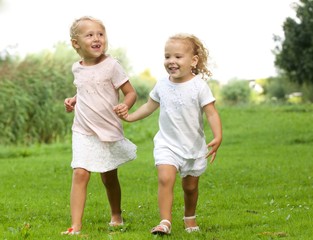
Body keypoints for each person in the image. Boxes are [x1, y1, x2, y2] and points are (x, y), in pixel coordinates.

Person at [118, 33, 222, 235]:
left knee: (190, 187)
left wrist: (218, 136)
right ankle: (165, 221)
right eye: (167, 56)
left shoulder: (199, 86)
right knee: (165, 178)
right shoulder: (162, 85)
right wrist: (130, 117)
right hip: (167, 144)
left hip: (192, 146)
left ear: (193, 61)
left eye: (177, 56)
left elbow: (211, 113)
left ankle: (190, 217)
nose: (171, 61)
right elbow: (149, 106)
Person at [61, 16, 137, 235]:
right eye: (90, 35)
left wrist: (125, 105)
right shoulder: (77, 68)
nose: (97, 38)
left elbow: (131, 92)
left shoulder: (112, 65)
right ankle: (75, 226)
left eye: (100, 34)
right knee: (80, 173)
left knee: (108, 176)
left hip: (107, 129)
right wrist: (73, 100)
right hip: (83, 129)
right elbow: (85, 89)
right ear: (76, 43)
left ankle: (116, 215)